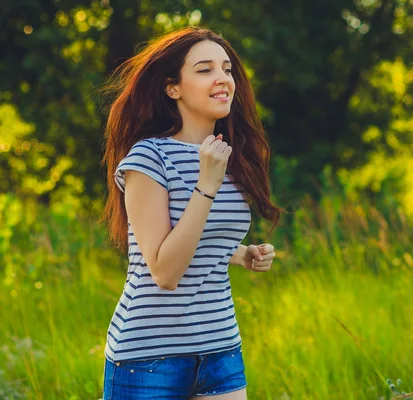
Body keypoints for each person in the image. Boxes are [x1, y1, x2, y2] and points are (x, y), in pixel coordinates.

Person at [99, 26, 283, 399]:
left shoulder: (228, 158)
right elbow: (165, 271)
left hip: (220, 348)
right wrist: (206, 185)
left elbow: (198, 237)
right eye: (205, 69)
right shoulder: (149, 158)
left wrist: (239, 253)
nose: (222, 79)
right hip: (149, 356)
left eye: (227, 69)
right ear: (173, 87)